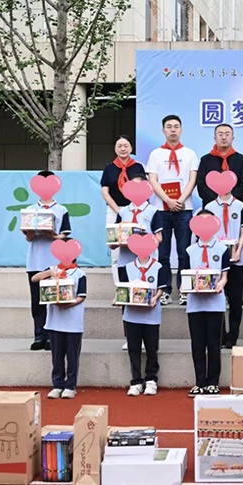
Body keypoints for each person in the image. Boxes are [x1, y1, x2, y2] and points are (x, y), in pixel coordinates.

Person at [147, 115, 198, 306]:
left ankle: (184, 290)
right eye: (169, 127)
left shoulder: (190, 153)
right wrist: (168, 200)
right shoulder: (155, 154)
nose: (173, 130)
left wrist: (180, 200)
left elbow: (192, 179)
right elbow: (153, 180)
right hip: (161, 209)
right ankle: (164, 290)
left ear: (181, 129)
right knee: (163, 253)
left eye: (176, 126)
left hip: (184, 209)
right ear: (163, 131)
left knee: (184, 252)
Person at [113, 173, 163, 351]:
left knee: (148, 297)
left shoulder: (153, 211)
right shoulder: (122, 212)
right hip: (126, 262)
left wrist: (143, 240)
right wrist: (118, 241)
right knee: (127, 297)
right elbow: (114, 239)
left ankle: (149, 339)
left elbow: (159, 237)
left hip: (147, 262)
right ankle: (130, 337)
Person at [184, 210, 231, 397]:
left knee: (213, 344)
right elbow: (184, 276)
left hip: (215, 304)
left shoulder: (222, 249)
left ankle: (213, 382)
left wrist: (220, 284)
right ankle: (199, 382)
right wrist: (184, 288)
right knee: (197, 344)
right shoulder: (189, 250)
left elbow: (225, 275)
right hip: (195, 304)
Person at [31, 244, 86, 399]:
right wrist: (50, 273)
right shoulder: (53, 270)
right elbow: (34, 279)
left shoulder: (80, 274)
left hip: (73, 324)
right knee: (57, 357)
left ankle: (70, 385)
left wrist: (67, 304)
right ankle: (57, 384)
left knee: (72, 357)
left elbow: (82, 296)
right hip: (54, 323)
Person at [24, 170, 71, 351]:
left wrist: (52, 235)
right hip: (35, 261)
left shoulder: (61, 210)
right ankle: (39, 336)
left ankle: (52, 336)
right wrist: (30, 233)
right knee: (37, 301)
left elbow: (65, 235)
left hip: (54, 260)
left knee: (53, 299)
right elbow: (28, 238)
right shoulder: (29, 210)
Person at [204, 179, 243, 349]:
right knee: (217, 299)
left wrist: (238, 251)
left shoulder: (240, 206)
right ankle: (220, 336)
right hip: (215, 263)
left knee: (235, 301)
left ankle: (233, 336)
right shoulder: (209, 207)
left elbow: (242, 233)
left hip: (236, 261)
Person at [117, 247, 166, 396]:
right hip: (132, 315)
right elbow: (123, 290)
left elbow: (161, 288)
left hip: (151, 315)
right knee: (134, 349)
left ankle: (151, 379)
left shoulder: (158, 266)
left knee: (152, 348)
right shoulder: (127, 267)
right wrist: (119, 299)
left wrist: (155, 298)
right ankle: (136, 380)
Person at [100, 136, 147, 282]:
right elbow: (105, 193)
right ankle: (119, 287)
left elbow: (143, 190)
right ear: (115, 148)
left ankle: (137, 283)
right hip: (114, 211)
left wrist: (130, 210)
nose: (122, 149)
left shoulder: (138, 167)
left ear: (131, 148)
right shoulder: (109, 168)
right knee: (116, 250)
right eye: (119, 146)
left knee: (136, 248)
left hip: (134, 211)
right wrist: (119, 211)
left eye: (126, 146)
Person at [196, 123, 243, 205]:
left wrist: (229, 199)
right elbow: (201, 184)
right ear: (215, 138)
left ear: (232, 138)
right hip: (211, 205)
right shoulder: (205, 160)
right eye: (220, 134)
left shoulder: (242, 160)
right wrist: (217, 200)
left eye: (227, 134)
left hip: (236, 204)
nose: (224, 137)